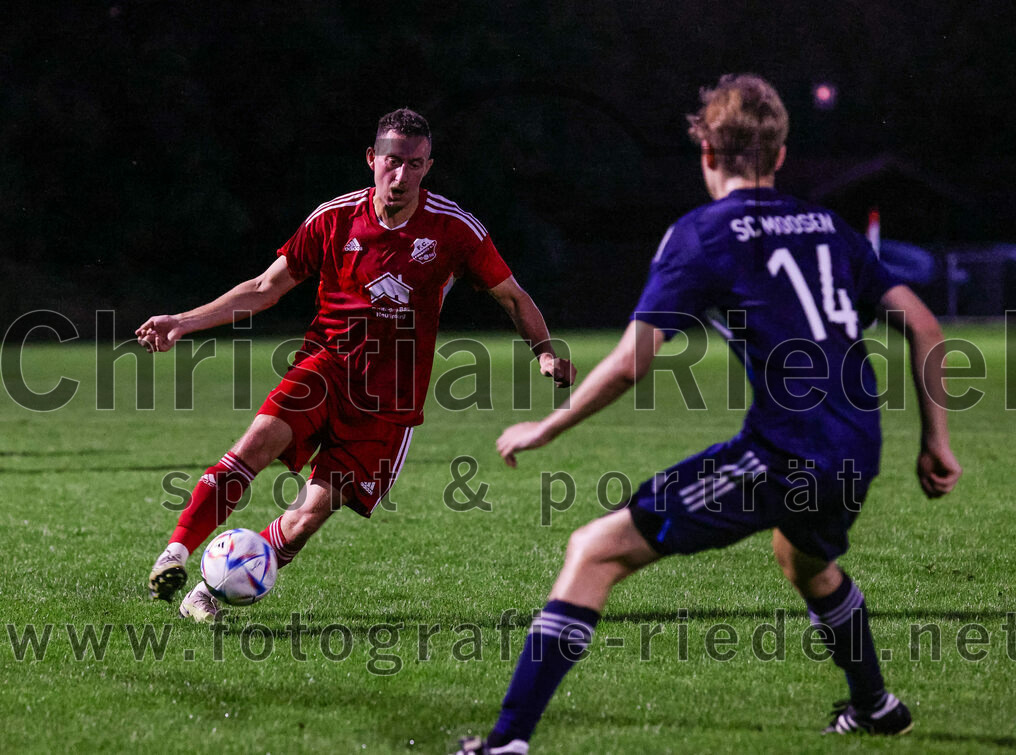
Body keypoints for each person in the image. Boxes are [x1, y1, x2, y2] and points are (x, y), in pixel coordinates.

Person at [454, 74, 961, 754]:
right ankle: (876, 703)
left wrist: (545, 426)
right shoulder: (828, 226)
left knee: (593, 551)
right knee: (804, 558)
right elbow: (926, 328)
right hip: (856, 446)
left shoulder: (701, 235)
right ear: (779, 156)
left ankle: (506, 742)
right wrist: (937, 440)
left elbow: (634, 362)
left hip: (786, 453)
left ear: (706, 152)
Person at [138, 108, 576, 622]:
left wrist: (544, 350)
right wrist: (182, 322)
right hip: (325, 368)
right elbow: (263, 288)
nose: (401, 176)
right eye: (392, 162)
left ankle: (211, 592)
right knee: (250, 450)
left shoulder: (454, 230)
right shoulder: (333, 218)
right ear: (372, 159)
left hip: (390, 404)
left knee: (305, 518)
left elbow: (513, 297)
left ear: (427, 166)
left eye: (414, 165)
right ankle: (176, 553)